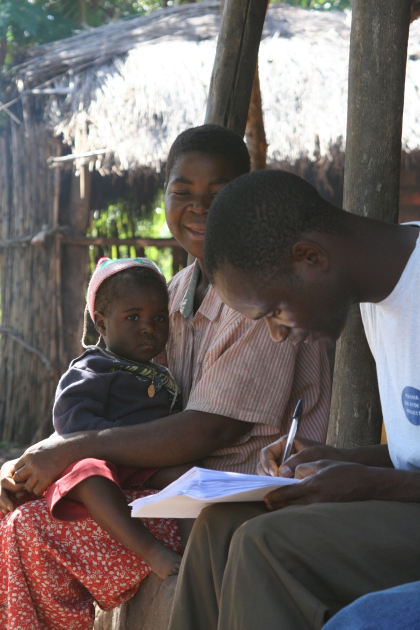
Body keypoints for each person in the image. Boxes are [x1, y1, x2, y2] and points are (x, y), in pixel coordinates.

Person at [0, 128, 330, 630]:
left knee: (33, 531)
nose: (198, 208)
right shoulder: (172, 293)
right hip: (170, 494)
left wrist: (68, 452)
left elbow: (212, 430)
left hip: (237, 502)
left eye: (218, 195)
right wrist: (32, 463)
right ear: (165, 194)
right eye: (182, 193)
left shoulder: (261, 294)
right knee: (12, 512)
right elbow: (132, 412)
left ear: (247, 196)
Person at [166, 169, 420, 630]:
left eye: (275, 312)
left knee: (265, 545)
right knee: (219, 528)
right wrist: (341, 459)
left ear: (310, 258)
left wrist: (371, 484)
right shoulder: (376, 300)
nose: (277, 335)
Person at [42, 256, 191, 580]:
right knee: (90, 476)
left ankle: (198, 551)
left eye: (159, 317)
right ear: (101, 323)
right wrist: (120, 441)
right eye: (133, 316)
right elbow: (71, 423)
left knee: (192, 478)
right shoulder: (93, 367)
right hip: (102, 460)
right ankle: (150, 549)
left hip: (147, 461)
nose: (148, 327)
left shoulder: (162, 372)